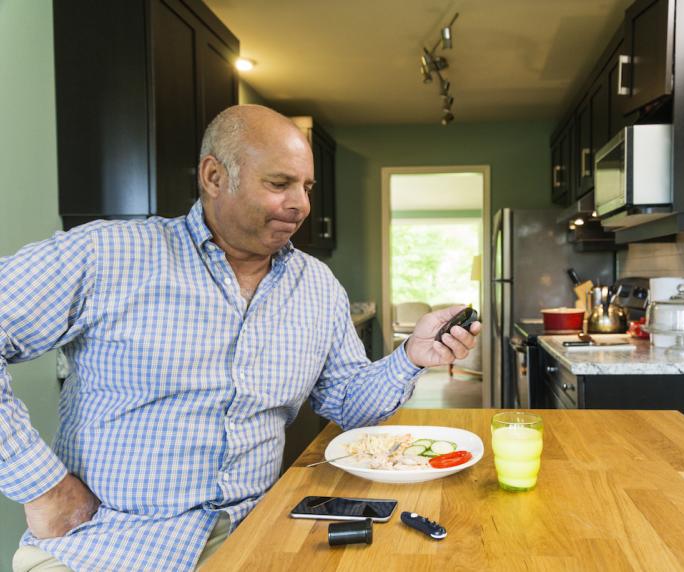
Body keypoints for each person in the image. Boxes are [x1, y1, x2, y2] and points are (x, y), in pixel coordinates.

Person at [1, 104, 481, 571]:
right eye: (279, 184)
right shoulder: (107, 255)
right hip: (107, 546)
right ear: (214, 177)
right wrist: (42, 486)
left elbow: (351, 405)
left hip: (255, 537)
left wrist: (411, 357)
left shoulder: (316, 286)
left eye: (307, 187)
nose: (301, 205)